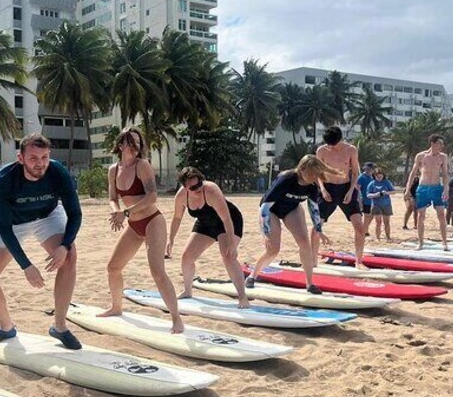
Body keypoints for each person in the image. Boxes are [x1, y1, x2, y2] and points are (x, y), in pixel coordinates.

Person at [0, 134, 83, 348]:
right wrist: (26, 265)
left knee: (69, 258)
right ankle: (6, 327)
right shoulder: (4, 179)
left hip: (48, 216)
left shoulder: (58, 172)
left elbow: (75, 214)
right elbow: (4, 228)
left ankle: (60, 327)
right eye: (33, 158)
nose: (40, 163)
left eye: (44, 157)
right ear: (20, 158)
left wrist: (64, 246)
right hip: (14, 222)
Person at [102, 127, 183, 333]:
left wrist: (126, 213)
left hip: (152, 221)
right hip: (133, 225)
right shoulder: (113, 169)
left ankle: (176, 319)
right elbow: (112, 199)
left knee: (157, 271)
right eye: (131, 142)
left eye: (138, 142)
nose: (136, 146)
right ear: (121, 145)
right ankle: (116, 307)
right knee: (113, 267)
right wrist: (116, 211)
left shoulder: (142, 165)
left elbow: (152, 197)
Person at [245, 155, 337, 296]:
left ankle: (309, 284)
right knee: (273, 249)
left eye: (316, 175)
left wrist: (319, 229)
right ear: (302, 169)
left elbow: (314, 208)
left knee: (304, 244)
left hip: (292, 209)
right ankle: (252, 276)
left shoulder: (312, 186)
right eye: (312, 174)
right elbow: (265, 205)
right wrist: (265, 229)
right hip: (271, 210)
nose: (314, 178)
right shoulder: (286, 178)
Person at [166, 167, 248, 307]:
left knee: (228, 255)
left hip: (229, 221)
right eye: (192, 187)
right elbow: (177, 218)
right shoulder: (181, 196)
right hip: (206, 223)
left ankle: (243, 297)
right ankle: (187, 291)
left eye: (199, 184)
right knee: (187, 256)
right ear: (185, 187)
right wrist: (171, 239)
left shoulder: (211, 190)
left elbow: (226, 218)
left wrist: (232, 245)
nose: (197, 189)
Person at [311, 126, 367, 268]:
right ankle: (313, 261)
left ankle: (359, 261)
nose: (331, 147)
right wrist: (322, 189)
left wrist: (350, 191)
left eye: (334, 144)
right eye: (329, 144)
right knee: (316, 227)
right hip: (328, 188)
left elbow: (355, 173)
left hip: (346, 187)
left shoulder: (351, 150)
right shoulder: (321, 150)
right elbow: (318, 173)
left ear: (340, 139)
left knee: (360, 227)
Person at [406, 134, 450, 250]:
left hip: (436, 187)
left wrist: (446, 188)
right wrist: (407, 189)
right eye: (440, 143)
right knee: (421, 215)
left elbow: (445, 174)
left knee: (441, 215)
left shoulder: (443, 157)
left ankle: (444, 242)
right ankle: (420, 243)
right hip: (423, 187)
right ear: (433, 143)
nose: (442, 146)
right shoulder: (421, 156)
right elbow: (413, 173)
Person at [365, 168, 395, 241]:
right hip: (376, 204)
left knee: (387, 222)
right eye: (377, 177)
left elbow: (393, 191)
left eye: (381, 177)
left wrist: (386, 193)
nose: (379, 178)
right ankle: (378, 238)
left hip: (386, 204)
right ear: (374, 176)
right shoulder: (372, 183)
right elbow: (368, 195)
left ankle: (388, 237)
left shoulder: (387, 182)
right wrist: (375, 194)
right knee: (378, 222)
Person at [356, 162, 375, 236]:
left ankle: (365, 229)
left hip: (373, 200)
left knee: (372, 216)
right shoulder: (361, 177)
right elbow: (357, 189)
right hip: (365, 200)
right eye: (368, 169)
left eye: (371, 169)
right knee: (367, 216)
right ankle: (365, 231)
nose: (369, 171)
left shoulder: (372, 177)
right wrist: (359, 201)